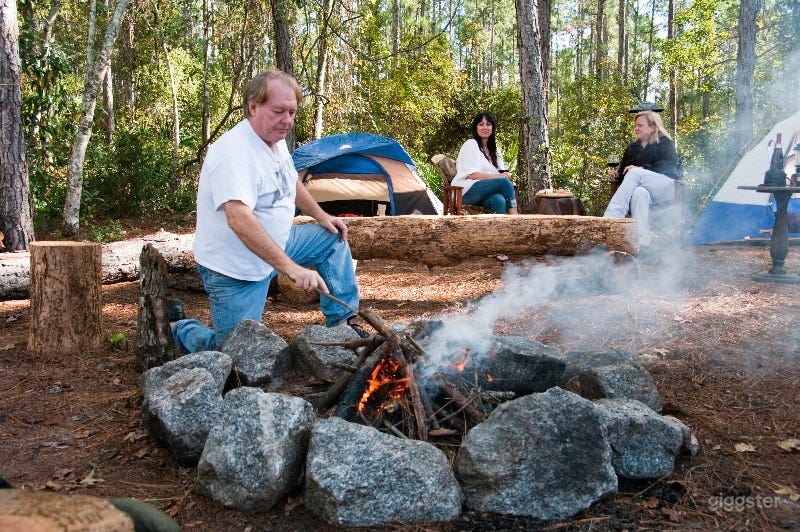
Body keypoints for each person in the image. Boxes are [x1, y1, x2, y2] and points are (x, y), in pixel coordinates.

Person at [171, 69, 364, 353]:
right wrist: (291, 268)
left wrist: (322, 216)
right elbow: (238, 219)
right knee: (234, 352)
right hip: (235, 267)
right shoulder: (233, 152)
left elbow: (290, 181)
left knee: (332, 238)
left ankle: (344, 325)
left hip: (277, 244)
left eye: (291, 112)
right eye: (278, 111)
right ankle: (178, 328)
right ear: (253, 107)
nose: (286, 120)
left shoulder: (274, 139)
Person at [603, 110, 681, 252]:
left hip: (665, 187)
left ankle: (610, 220)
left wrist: (641, 168)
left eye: (640, 125)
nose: (636, 128)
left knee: (635, 172)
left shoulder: (664, 143)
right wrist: (617, 176)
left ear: (652, 128)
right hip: (646, 191)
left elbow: (668, 166)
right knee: (639, 193)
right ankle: (642, 244)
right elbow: (624, 173)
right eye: (635, 126)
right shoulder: (632, 148)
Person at [452, 112, 518, 214]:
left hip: (485, 194)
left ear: (492, 127)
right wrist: (500, 177)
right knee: (504, 182)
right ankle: (515, 218)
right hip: (465, 191)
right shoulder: (471, 144)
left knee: (499, 200)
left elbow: (500, 173)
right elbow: (472, 175)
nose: (485, 127)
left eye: (488, 124)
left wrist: (504, 175)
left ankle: (498, 229)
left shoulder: (494, 150)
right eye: (481, 124)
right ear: (475, 127)